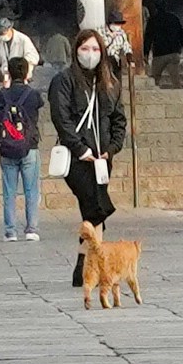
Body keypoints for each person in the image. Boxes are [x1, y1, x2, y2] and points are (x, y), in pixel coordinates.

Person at [48, 27, 128, 233]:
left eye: (95, 48)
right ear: (76, 50)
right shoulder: (64, 81)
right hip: (78, 157)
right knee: (96, 208)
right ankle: (91, 261)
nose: (90, 53)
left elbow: (118, 118)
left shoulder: (110, 83)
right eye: (85, 48)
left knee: (93, 213)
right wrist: (80, 149)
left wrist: (112, 148)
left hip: (102, 157)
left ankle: (88, 261)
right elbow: (61, 117)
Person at [0, 48, 45, 243]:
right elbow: (39, 105)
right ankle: (31, 229)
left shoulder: (2, 95)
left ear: (8, 72)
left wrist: (5, 86)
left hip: (7, 145)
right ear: (27, 73)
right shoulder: (33, 95)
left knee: (9, 191)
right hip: (30, 146)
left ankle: (10, 231)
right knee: (31, 190)